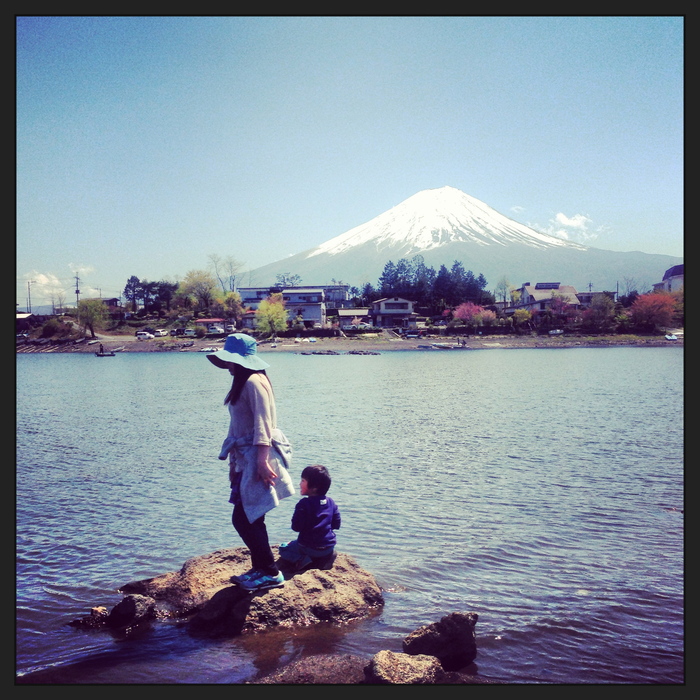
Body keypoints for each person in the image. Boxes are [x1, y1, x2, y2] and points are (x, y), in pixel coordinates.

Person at [207, 333, 294, 591]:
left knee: (245, 517)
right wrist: (238, 465)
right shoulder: (248, 380)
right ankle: (261, 568)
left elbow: (262, 425)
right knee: (251, 517)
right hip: (247, 457)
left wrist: (261, 461)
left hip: (257, 456)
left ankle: (269, 572)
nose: (229, 366)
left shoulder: (254, 382)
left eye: (231, 360)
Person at [279, 465, 341, 572]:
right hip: (328, 547)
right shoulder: (331, 502)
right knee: (302, 545)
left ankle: (302, 559)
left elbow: (296, 527)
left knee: (283, 548)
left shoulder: (303, 504)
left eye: (303, 481)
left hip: (309, 547)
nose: (299, 483)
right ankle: (326, 557)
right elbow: (336, 524)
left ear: (314, 488)